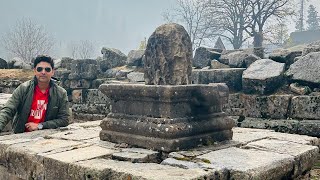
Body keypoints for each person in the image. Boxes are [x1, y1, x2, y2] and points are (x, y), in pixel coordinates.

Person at [0, 55, 70, 133]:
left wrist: (40, 126)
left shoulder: (60, 93)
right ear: (34, 71)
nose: (43, 72)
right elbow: (8, 110)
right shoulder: (23, 89)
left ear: (52, 72)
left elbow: (64, 120)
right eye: (39, 69)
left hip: (47, 137)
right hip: (22, 135)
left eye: (47, 69)